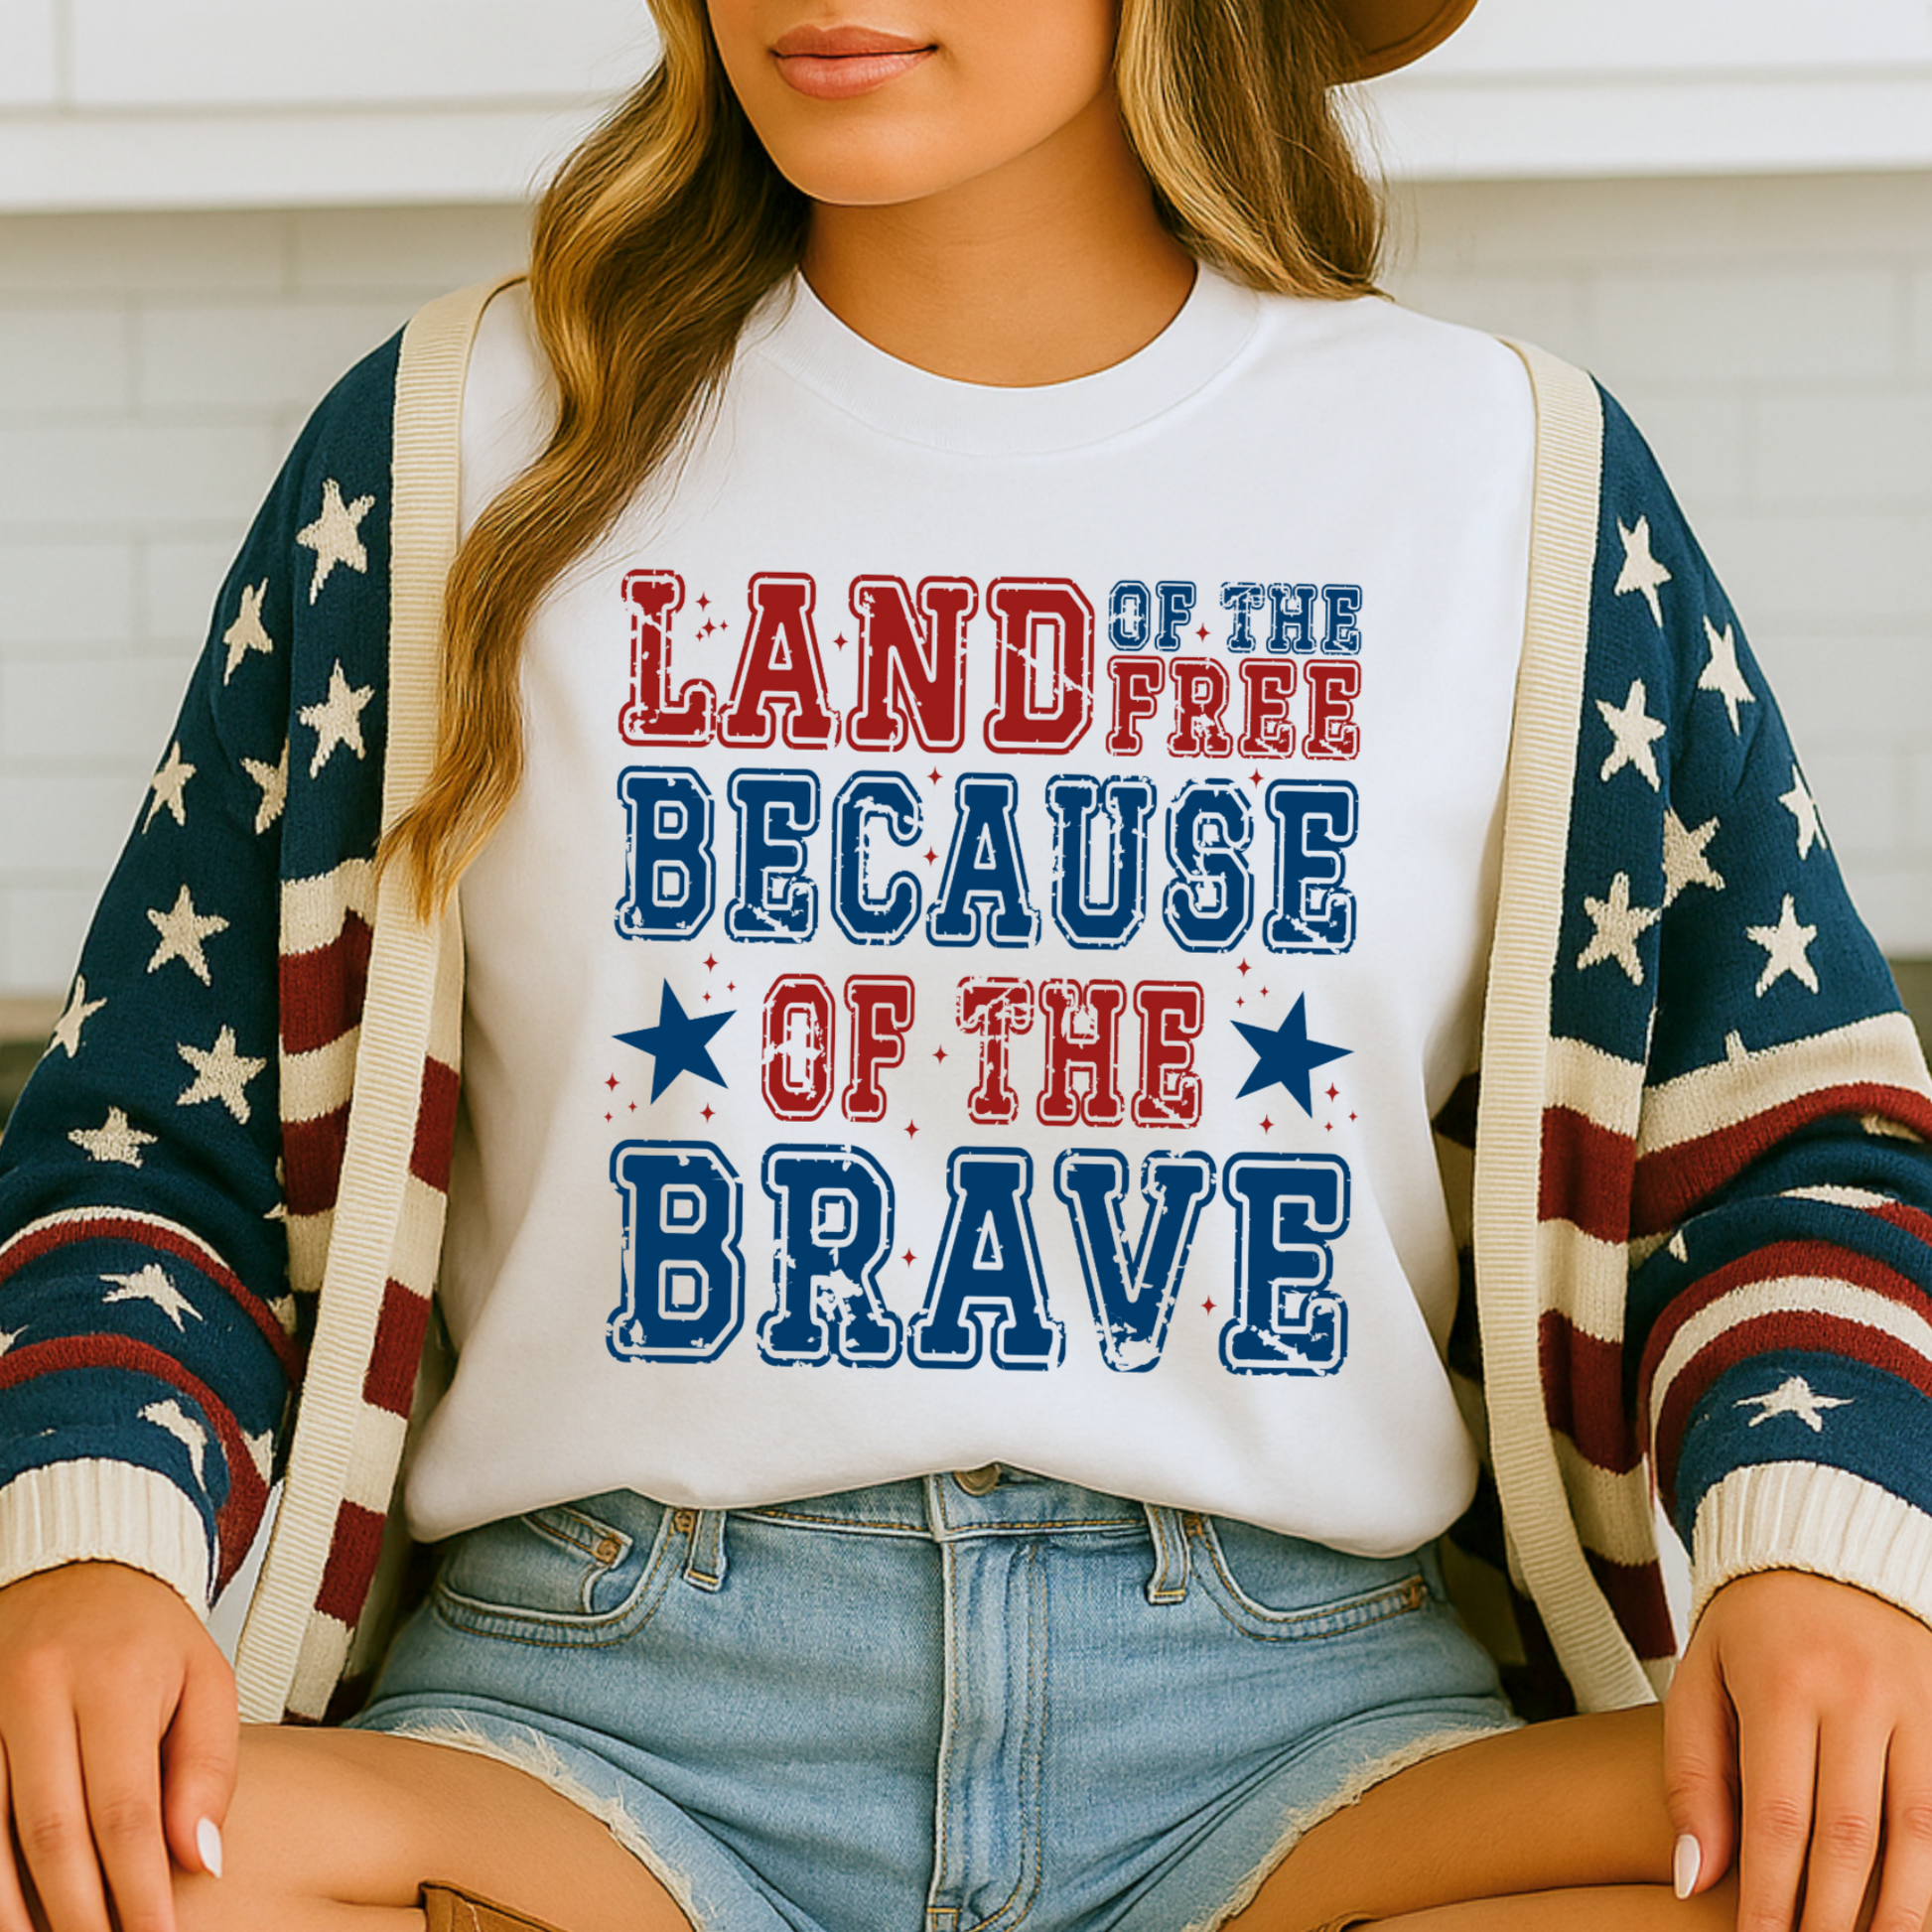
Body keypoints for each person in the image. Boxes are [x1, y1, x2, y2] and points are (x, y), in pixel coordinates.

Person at [2, 0, 1931, 1928]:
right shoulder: (449, 446)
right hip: (594, 1736)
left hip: (1306, 1748)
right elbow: (162, 1135)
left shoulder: (1500, 472)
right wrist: (84, 1553)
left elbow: (1781, 1132)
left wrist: (1814, 1556)